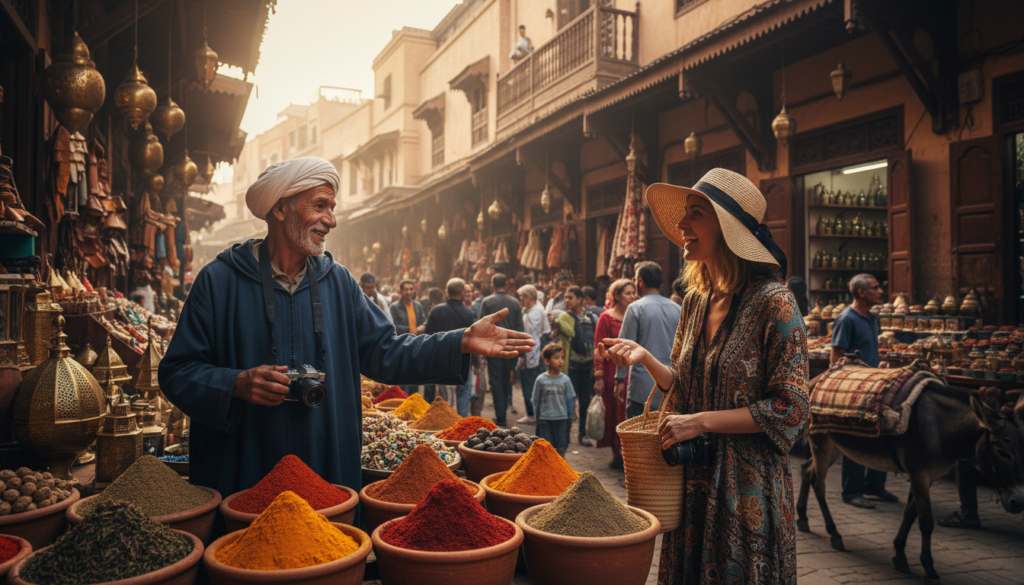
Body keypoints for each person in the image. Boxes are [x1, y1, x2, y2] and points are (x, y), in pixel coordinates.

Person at [158, 157, 535, 502]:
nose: (331, 220)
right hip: (245, 467)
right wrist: (237, 383)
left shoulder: (337, 282)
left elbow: (386, 351)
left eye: (332, 209)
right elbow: (177, 372)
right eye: (319, 206)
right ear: (278, 207)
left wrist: (462, 341)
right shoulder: (220, 281)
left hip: (326, 464)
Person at [600, 169, 809, 583]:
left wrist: (699, 422)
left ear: (727, 229)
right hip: (693, 483)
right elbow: (684, 384)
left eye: (695, 214)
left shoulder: (776, 303)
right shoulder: (696, 300)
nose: (681, 226)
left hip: (747, 490)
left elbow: (791, 410)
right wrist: (646, 358)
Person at [831, 273, 899, 509]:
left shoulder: (872, 318)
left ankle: (875, 485)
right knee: (856, 438)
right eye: (875, 288)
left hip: (873, 385)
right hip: (854, 387)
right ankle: (852, 491)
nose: (881, 291)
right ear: (861, 292)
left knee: (878, 434)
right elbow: (836, 359)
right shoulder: (846, 319)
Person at [617, 261, 680, 418]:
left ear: (640, 281)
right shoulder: (678, 309)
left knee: (639, 437)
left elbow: (624, 348)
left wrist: (619, 379)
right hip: (670, 385)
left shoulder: (636, 308)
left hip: (642, 388)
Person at [594, 278, 636, 468]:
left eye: (634, 292)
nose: (633, 296)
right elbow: (598, 348)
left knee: (627, 411)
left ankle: (628, 451)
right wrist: (599, 377)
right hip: (612, 371)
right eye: (628, 293)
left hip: (631, 370)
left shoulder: (635, 314)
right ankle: (616, 453)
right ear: (617, 296)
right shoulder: (606, 317)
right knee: (613, 410)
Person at [425, 278, 478, 416]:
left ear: (447, 292)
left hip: (442, 358)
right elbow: (473, 340)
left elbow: (428, 334)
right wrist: (476, 363)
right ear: (462, 292)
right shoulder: (468, 313)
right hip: (463, 359)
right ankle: (462, 423)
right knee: (463, 393)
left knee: (444, 395)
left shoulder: (437, 310)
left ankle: (445, 424)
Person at [480, 273, 524, 426]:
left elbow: (482, 328)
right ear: (506, 284)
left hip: (493, 348)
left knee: (496, 380)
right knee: (507, 379)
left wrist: (482, 352)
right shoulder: (515, 302)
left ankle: (501, 415)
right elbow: (520, 327)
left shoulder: (487, 301)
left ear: (492, 285)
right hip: (511, 346)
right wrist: (521, 351)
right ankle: (503, 410)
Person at [557, 286, 597, 446]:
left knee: (586, 401)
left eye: (570, 297)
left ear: (579, 299)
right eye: (565, 297)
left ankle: (582, 434)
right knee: (569, 400)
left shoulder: (592, 317)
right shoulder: (564, 317)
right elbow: (571, 334)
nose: (567, 301)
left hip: (588, 366)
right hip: (571, 365)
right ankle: (565, 434)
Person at [532, 343, 575, 456]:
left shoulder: (566, 380)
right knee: (545, 446)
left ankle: (560, 466)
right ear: (547, 361)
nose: (561, 361)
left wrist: (571, 414)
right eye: (556, 358)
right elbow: (536, 399)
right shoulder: (541, 380)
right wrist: (536, 415)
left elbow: (570, 398)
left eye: (562, 357)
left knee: (561, 444)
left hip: (561, 418)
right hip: (544, 418)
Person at [516, 284, 551, 424]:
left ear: (530, 297)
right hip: (533, 354)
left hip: (532, 355)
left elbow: (529, 336)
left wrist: (523, 355)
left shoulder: (535, 313)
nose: (521, 299)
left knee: (529, 385)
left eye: (522, 297)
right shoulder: (531, 310)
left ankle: (532, 415)